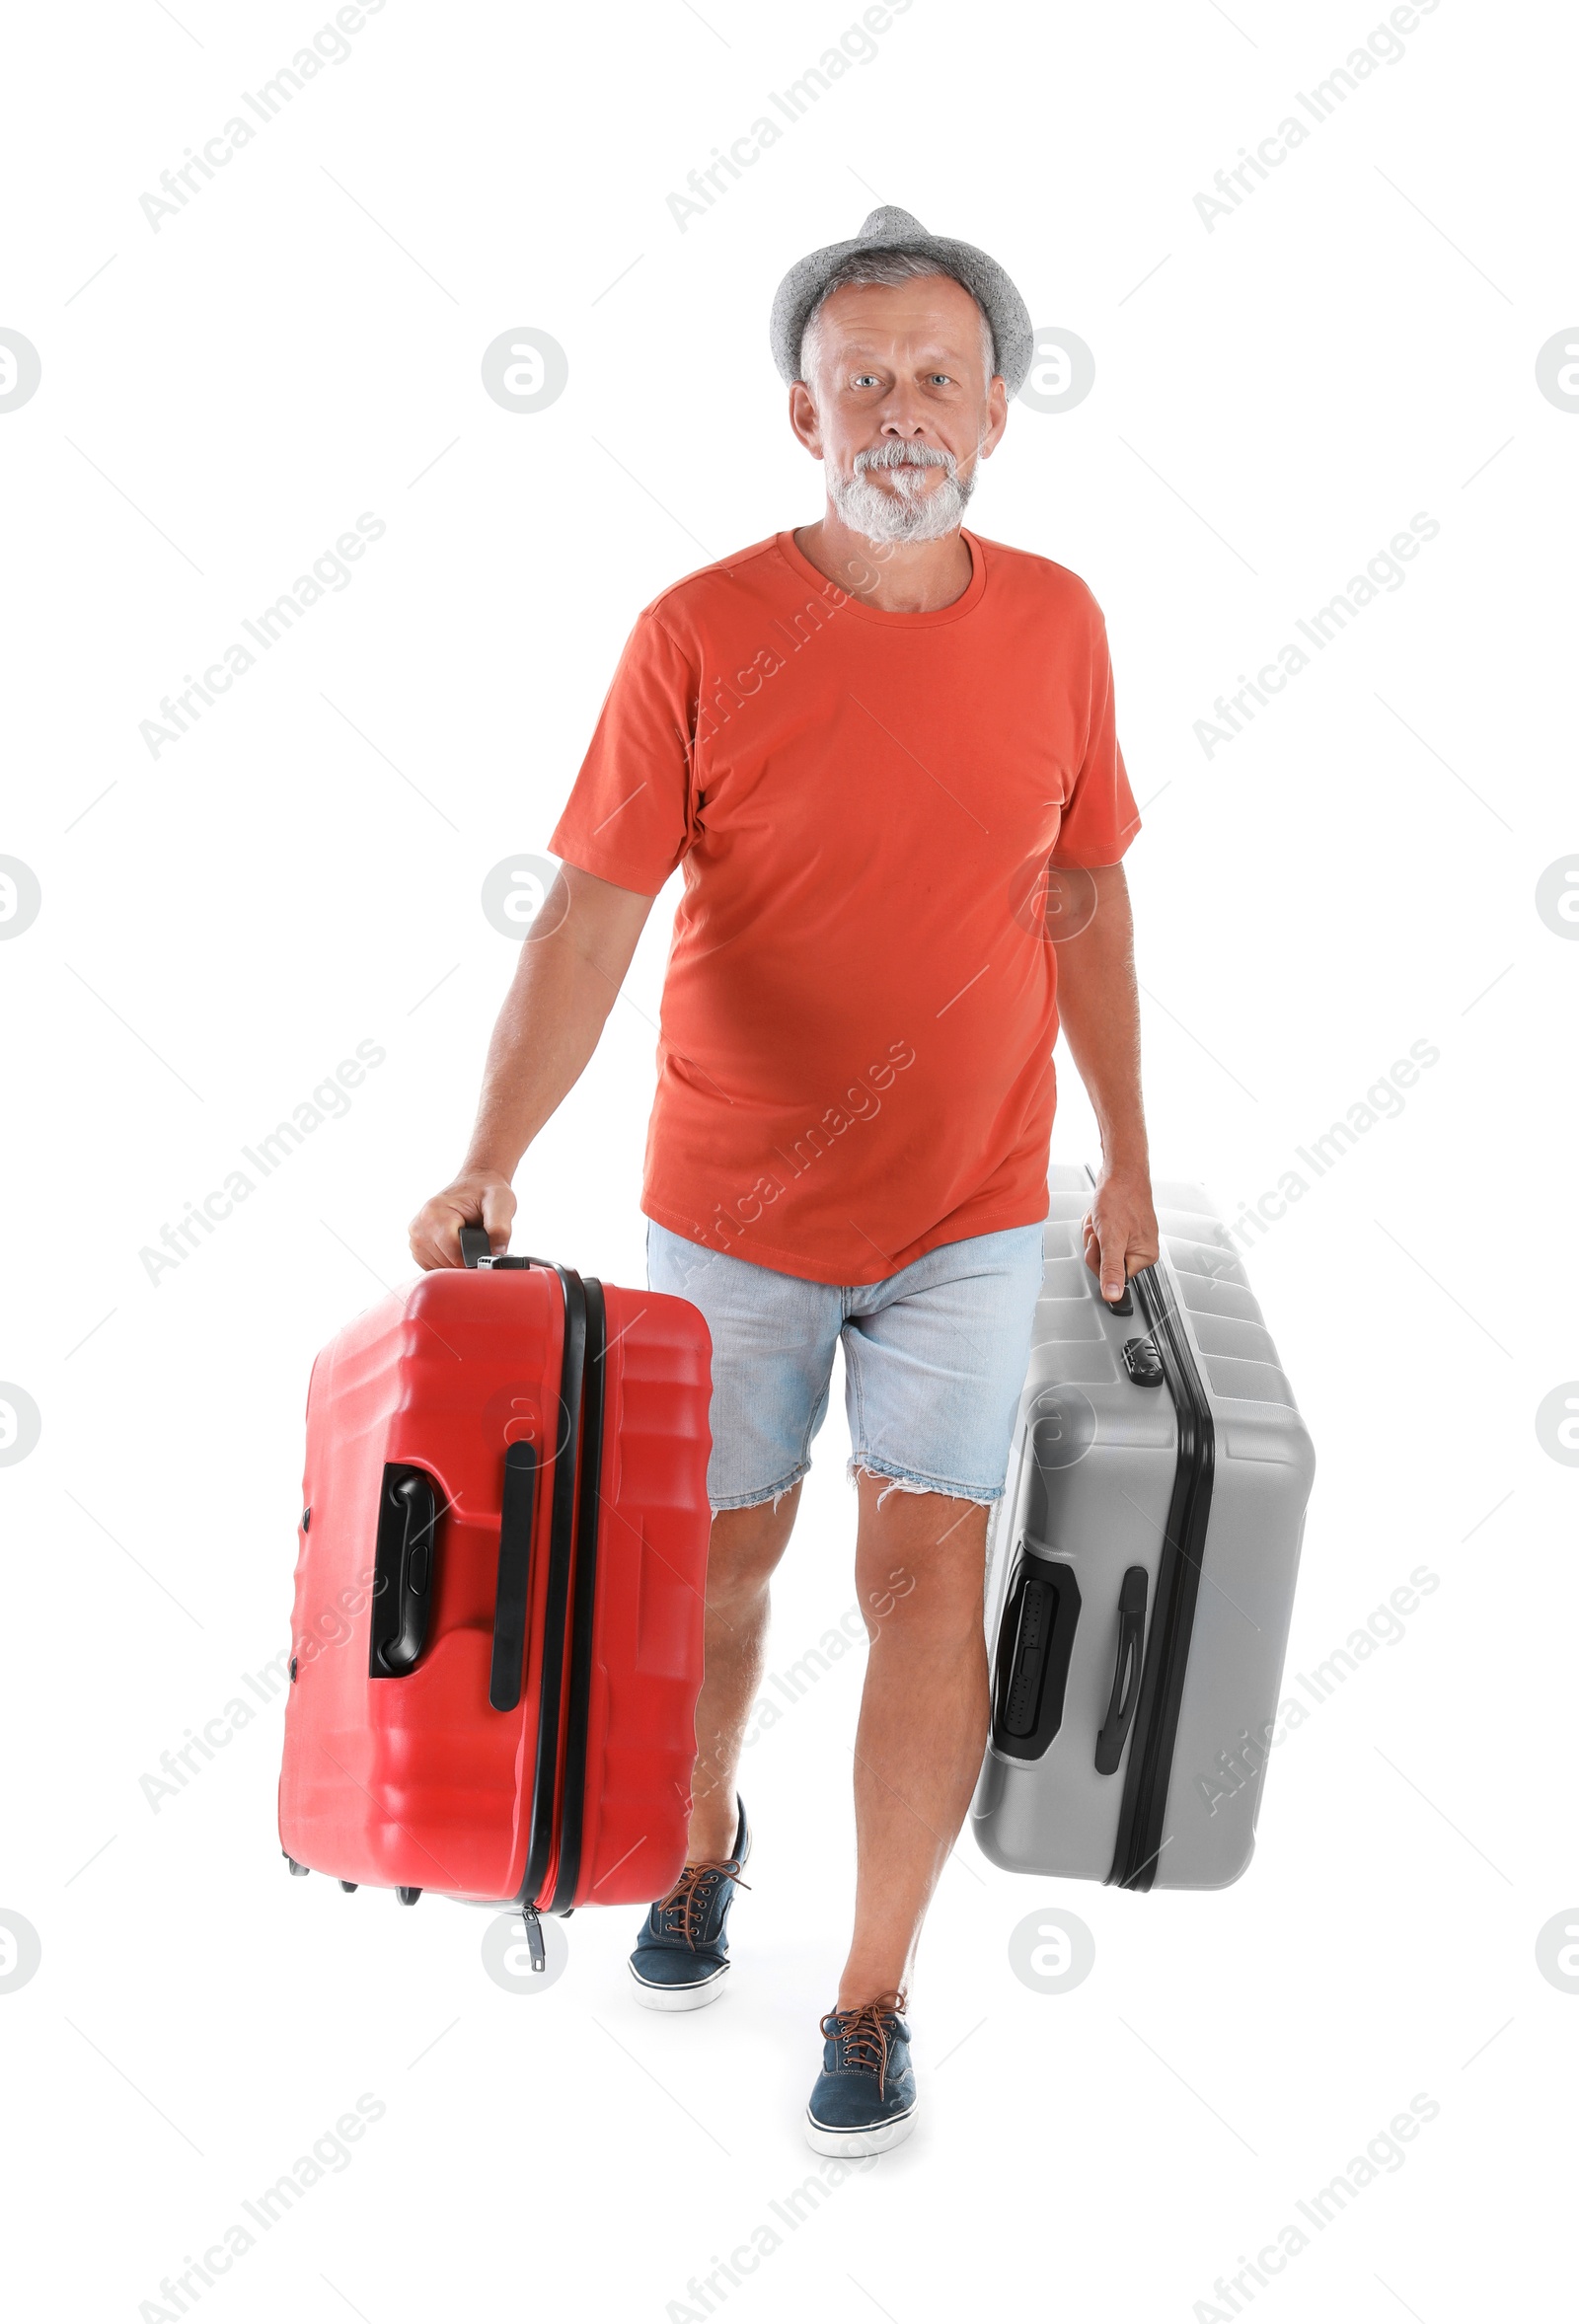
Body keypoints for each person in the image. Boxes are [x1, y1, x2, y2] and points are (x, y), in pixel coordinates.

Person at [410, 206, 1159, 2155]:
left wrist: (1129, 1159)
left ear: (996, 404)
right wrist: (489, 1149)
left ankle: (869, 1988)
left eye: (933, 378)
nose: (897, 412)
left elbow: (1083, 900)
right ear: (796, 416)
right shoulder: (698, 630)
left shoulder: (1060, 622)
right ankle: (697, 1842)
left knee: (922, 1579)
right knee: (719, 1576)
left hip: (973, 1210)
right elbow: (583, 920)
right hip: (730, 1208)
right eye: (859, 384)